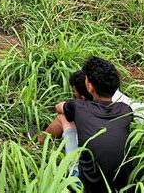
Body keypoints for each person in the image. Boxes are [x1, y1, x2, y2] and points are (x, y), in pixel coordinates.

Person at [55, 57, 133, 193]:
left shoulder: (79, 107)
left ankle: (38, 140)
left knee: (63, 118)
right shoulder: (126, 110)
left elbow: (59, 107)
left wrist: (71, 105)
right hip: (121, 188)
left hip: (86, 187)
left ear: (90, 87)